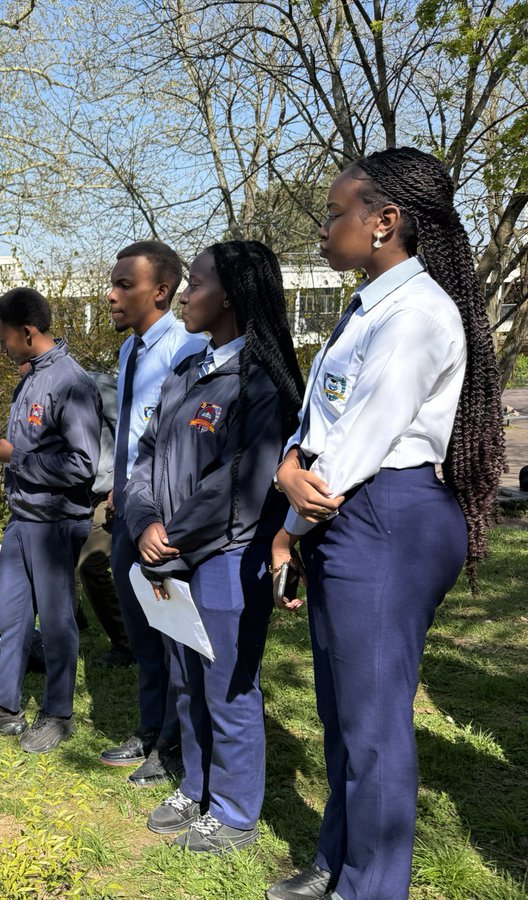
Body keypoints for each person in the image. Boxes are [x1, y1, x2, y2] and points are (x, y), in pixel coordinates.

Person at [267, 148, 504, 899]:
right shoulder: (368, 304)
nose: (324, 229)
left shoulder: (418, 314)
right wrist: (286, 465)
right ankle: (340, 862)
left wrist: (287, 529)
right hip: (350, 511)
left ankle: (371, 888)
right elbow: (321, 420)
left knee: (373, 726)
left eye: (336, 214)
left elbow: (360, 442)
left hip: (386, 514)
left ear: (385, 222)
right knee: (344, 717)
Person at [126, 241, 304, 852]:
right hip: (170, 555)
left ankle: (232, 814)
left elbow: (243, 481)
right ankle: (197, 784)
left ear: (228, 295)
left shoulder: (258, 380)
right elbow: (145, 457)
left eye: (194, 283)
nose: (182, 294)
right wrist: (146, 516)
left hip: (228, 556)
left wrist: (171, 533)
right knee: (185, 681)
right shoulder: (186, 370)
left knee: (227, 686)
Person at [0, 288, 102, 753]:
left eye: (5, 340)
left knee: (57, 619)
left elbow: (84, 464)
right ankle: (7, 706)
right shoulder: (29, 379)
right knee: (13, 615)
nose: (3, 349)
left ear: (27, 332)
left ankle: (58, 713)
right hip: (22, 518)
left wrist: (15, 457)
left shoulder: (71, 382)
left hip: (55, 521)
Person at [101, 241, 208, 784]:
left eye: (125, 284)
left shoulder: (184, 350)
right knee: (142, 629)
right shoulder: (129, 352)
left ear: (160, 291)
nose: (112, 294)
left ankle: (174, 743)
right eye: (113, 283)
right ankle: (150, 729)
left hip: (163, 519)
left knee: (171, 633)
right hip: (129, 507)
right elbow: (132, 433)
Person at [78, 370, 133, 667]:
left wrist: (120, 481)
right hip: (74, 494)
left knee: (91, 563)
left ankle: (127, 644)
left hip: (106, 491)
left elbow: (128, 429)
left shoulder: (95, 384)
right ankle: (75, 626)